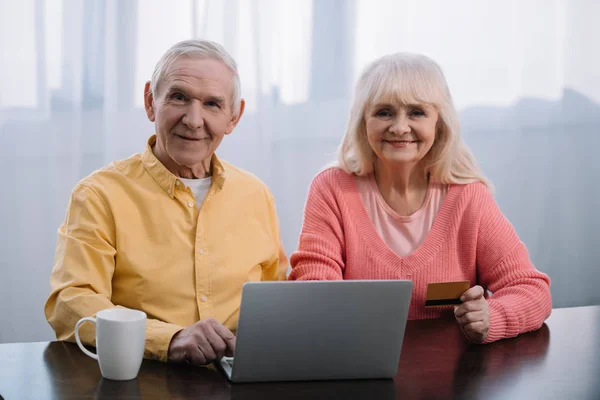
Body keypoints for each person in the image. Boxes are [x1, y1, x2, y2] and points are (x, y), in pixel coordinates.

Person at [45, 39, 287, 365]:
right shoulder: (99, 194)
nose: (193, 119)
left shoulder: (256, 195)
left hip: (239, 378)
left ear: (234, 116)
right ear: (150, 102)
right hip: (142, 377)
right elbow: (70, 302)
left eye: (213, 104)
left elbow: (277, 299)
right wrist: (169, 338)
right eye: (179, 97)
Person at [288, 53, 551, 343]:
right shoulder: (332, 188)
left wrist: (492, 316)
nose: (400, 127)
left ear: (439, 122)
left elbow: (531, 289)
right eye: (384, 112)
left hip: (455, 378)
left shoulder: (469, 196)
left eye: (416, 112)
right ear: (363, 120)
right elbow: (314, 291)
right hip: (358, 369)